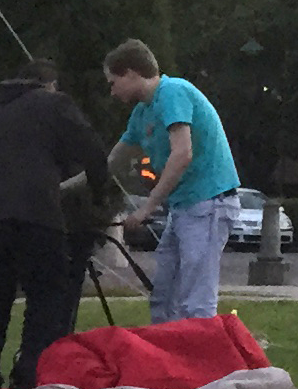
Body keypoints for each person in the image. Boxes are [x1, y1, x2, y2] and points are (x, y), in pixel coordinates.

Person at [0, 54, 113, 389]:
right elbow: (92, 150)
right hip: (37, 215)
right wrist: (99, 197)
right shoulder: (53, 104)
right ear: (49, 85)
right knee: (45, 295)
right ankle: (29, 371)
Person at [104, 38, 242, 323]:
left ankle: (203, 363)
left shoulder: (172, 92)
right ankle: (168, 361)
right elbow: (112, 162)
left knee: (196, 301)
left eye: (113, 82)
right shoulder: (142, 113)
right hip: (183, 209)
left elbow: (182, 153)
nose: (112, 91)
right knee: (164, 299)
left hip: (208, 204)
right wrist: (61, 189)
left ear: (131, 73)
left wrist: (146, 208)